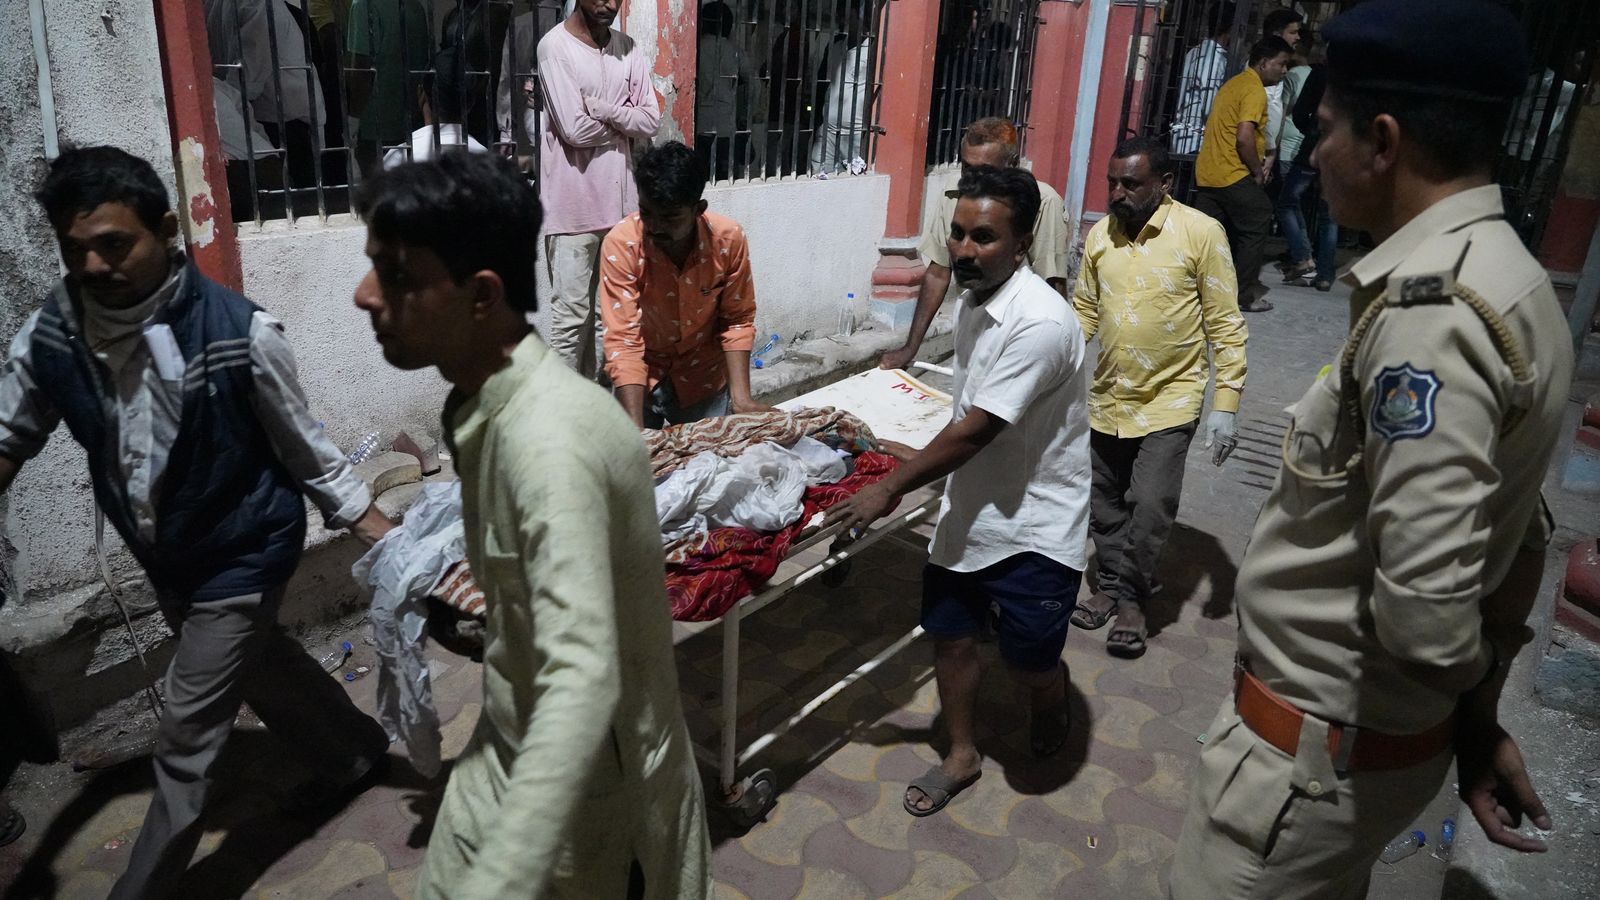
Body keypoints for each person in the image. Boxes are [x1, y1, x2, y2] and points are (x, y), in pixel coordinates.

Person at [1170, 1, 1574, 895]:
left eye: (1324, 130)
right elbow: (1520, 534)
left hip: (1306, 768)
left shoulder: (1433, 317)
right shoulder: (1507, 276)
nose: (1314, 155)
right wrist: (1473, 712)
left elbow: (1427, 611)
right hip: (1359, 754)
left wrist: (1463, 695)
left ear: (1382, 141)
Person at [1, 147, 394, 898]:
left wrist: (390, 540)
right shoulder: (54, 335)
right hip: (169, 556)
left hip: (246, 550)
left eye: (114, 244)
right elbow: (9, 433)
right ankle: (353, 753)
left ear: (166, 230)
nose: (93, 266)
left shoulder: (241, 332)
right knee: (258, 660)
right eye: (74, 250)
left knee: (187, 738)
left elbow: (309, 451)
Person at [352, 152, 711, 899]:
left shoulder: (548, 443)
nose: (366, 296)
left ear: (482, 295)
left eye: (396, 275)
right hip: (510, 740)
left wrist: (502, 881)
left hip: (588, 779)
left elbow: (581, 678)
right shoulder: (483, 406)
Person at [829, 166, 1090, 817]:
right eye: (958, 234)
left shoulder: (1042, 323)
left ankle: (1050, 691)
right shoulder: (974, 302)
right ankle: (962, 754)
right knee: (951, 637)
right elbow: (969, 412)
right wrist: (905, 450)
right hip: (971, 508)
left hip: (1035, 525)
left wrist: (889, 487)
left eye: (984, 237)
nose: (964, 251)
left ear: (1022, 243)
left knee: (1029, 663)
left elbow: (976, 431)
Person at [1069, 137, 1248, 659]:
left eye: (1130, 183)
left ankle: (1130, 602)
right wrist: (1052, 365)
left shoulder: (1200, 232)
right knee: (1104, 503)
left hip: (1171, 396)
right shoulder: (1100, 234)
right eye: (1112, 183)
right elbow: (1084, 310)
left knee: (1149, 504)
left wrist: (1226, 404)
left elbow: (1225, 323)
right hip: (1109, 395)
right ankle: (1110, 583)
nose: (1116, 193)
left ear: (1164, 183)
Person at [598, 142, 766, 429]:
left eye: (670, 217)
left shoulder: (728, 240)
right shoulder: (622, 245)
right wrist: (636, 433)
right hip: (639, 379)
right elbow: (623, 341)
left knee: (711, 454)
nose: (654, 226)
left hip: (703, 378)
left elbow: (737, 320)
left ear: (698, 209)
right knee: (635, 452)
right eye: (646, 212)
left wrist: (742, 399)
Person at [879, 117, 1070, 370]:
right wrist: (910, 348)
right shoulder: (953, 194)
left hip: (1020, 334)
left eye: (984, 171)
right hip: (972, 324)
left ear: (1012, 164)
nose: (973, 180)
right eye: (966, 168)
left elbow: (1052, 283)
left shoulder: (1043, 202)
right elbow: (938, 272)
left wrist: (1055, 357)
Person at [537, 0, 661, 379]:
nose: (609, 3)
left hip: (622, 209)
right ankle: (563, 406)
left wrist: (604, 110)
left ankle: (601, 401)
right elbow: (574, 129)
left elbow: (651, 120)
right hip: (572, 209)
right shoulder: (555, 47)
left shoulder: (627, 48)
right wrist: (625, 123)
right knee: (571, 319)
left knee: (612, 316)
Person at [1192, 35, 1294, 313]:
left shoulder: (1233, 84)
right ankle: (1244, 295)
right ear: (1264, 63)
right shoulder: (1253, 89)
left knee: (1206, 237)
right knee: (1258, 216)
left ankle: (1194, 292)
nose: (1284, 70)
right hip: (1232, 172)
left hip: (1209, 173)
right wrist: (1257, 172)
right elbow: (1244, 136)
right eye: (1281, 64)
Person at [344, 0, 433, 175]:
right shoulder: (414, 5)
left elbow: (361, 68)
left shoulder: (364, 5)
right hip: (412, 120)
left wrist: (353, 120)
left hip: (375, 124)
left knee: (376, 187)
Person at [1277, 45, 1340, 291]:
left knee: (1286, 202)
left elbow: (1301, 111)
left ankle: (1303, 256)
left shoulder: (1320, 74)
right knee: (1329, 214)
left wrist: (1311, 131)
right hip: (1339, 151)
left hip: (1313, 147)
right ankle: (1325, 274)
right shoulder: (1355, 79)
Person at [809, 2, 874, 175]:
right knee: (818, 174)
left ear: (860, 17)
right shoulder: (835, 44)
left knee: (853, 178)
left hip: (855, 132)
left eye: (846, 16)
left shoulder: (872, 49)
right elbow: (822, 83)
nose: (842, 21)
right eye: (839, 16)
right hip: (828, 129)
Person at [696, 1, 755, 181]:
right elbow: (754, 84)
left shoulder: (696, 48)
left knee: (699, 179)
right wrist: (745, 115)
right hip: (725, 127)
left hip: (699, 126)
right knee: (726, 180)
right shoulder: (734, 51)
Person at [1169, 2, 1236, 156]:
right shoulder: (1214, 60)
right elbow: (1209, 106)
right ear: (1231, 28)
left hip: (1184, 137)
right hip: (1197, 142)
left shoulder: (1195, 52)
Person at [1260, 8, 1304, 176]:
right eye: (1293, 32)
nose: (1297, 37)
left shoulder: (1279, 70)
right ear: (1277, 34)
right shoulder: (1263, 69)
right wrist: (1269, 154)